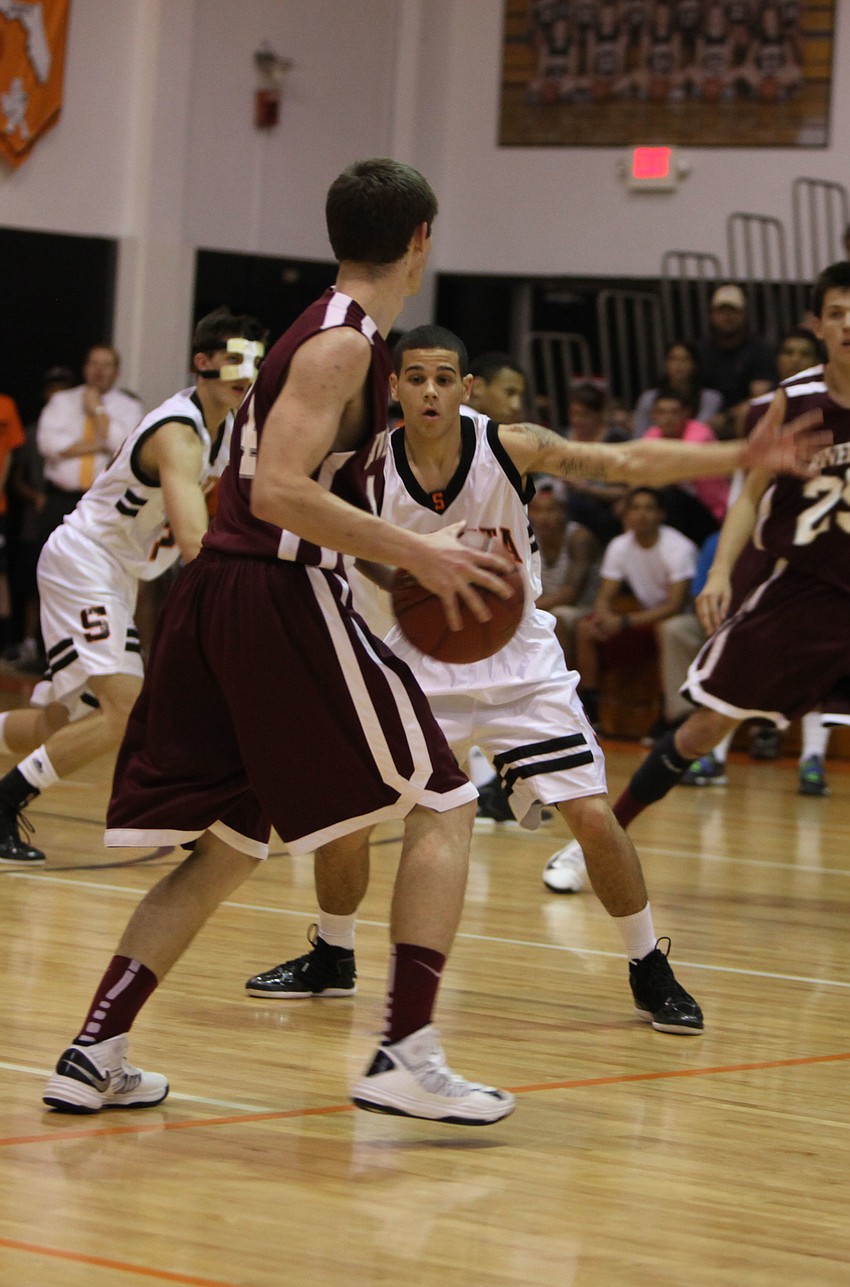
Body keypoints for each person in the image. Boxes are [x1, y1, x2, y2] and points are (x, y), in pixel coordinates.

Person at [41, 159, 518, 1126]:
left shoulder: (335, 332)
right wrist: (413, 552)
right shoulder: (342, 343)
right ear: (421, 237)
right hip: (274, 592)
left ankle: (95, 1050)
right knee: (448, 799)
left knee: (227, 843)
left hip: (227, 594)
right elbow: (277, 494)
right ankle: (404, 1052)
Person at [245, 321, 820, 1032]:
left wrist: (739, 451)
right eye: (415, 376)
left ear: (467, 387)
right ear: (393, 387)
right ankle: (333, 954)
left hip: (520, 658)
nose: (430, 389)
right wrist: (401, 568)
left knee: (592, 817)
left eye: (444, 377)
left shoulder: (507, 444)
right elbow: (325, 535)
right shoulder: (364, 467)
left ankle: (648, 964)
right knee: (349, 814)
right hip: (416, 659)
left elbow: (624, 462)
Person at [547, 260, 847, 869]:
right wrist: (718, 574)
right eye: (839, 314)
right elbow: (749, 495)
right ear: (817, 324)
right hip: (805, 590)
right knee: (705, 726)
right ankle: (595, 848)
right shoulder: (795, 400)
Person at [0, 307, 266, 865]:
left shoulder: (230, 429)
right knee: (128, 709)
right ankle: (5, 801)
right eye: (236, 358)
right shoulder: (179, 433)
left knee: (60, 722)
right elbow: (195, 542)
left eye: (256, 360)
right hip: (85, 561)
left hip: (118, 572)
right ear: (203, 362)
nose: (248, 370)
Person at [570, 487, 698, 733]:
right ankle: (589, 709)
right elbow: (605, 596)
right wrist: (604, 616)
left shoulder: (678, 547)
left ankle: (668, 715)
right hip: (642, 618)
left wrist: (625, 622)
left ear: (661, 514)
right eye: (635, 508)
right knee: (586, 626)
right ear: (625, 514)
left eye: (649, 508)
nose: (641, 515)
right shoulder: (620, 545)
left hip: (675, 620)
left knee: (667, 629)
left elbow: (675, 606)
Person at [5, 367, 75, 670]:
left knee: (68, 578)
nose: (57, 394)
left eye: (64, 389)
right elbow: (17, 476)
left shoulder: (76, 428)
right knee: (35, 579)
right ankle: (32, 644)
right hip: (38, 514)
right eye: (52, 389)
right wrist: (35, 497)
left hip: (69, 508)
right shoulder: (33, 432)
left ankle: (65, 647)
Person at [36, 345, 144, 544]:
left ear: (117, 372)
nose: (99, 370)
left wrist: (97, 409)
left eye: (106, 365)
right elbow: (49, 446)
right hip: (61, 498)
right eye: (94, 363)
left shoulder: (130, 407)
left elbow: (126, 448)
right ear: (85, 368)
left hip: (105, 500)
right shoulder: (61, 400)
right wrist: (103, 444)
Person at [644, 388, 728, 545]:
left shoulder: (701, 434)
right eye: (662, 412)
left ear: (687, 413)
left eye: (674, 412)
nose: (668, 418)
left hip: (712, 513)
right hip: (676, 508)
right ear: (653, 415)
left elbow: (675, 468)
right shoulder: (652, 435)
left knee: (668, 494)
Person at [531, 479, 600, 666]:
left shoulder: (578, 538)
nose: (544, 517)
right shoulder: (528, 537)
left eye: (550, 510)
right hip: (545, 604)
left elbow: (571, 593)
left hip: (585, 608)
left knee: (556, 617)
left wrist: (528, 607)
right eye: (538, 510)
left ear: (563, 511)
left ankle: (566, 682)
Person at [694, 285, 776, 438]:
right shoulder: (700, 350)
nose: (727, 316)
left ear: (745, 314)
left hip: (743, 423)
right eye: (721, 311)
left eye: (733, 311)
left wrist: (727, 417)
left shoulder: (759, 350)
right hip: (702, 420)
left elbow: (759, 397)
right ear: (711, 315)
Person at [560, 381, 629, 547]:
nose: (577, 420)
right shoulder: (563, 438)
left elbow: (626, 490)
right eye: (573, 414)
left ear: (599, 414)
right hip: (569, 503)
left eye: (584, 415)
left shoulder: (616, 440)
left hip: (605, 507)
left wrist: (587, 489)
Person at [631, 340, 723, 439]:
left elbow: (701, 429)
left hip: (697, 447)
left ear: (695, 364)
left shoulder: (711, 398)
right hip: (656, 447)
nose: (678, 365)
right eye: (673, 359)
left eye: (685, 359)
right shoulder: (648, 398)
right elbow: (639, 436)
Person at [0, 388, 26, 654]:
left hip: (0, 506)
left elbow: (9, 454)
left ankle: (6, 640)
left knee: (1, 571)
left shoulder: (5, 405)